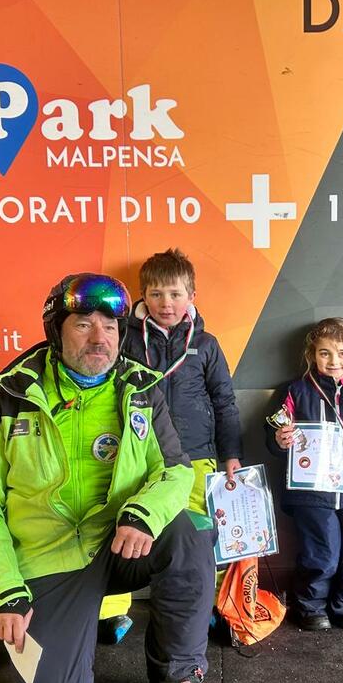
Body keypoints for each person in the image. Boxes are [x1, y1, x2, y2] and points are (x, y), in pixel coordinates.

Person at [0, 273, 216, 683]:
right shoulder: (10, 401)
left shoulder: (140, 391)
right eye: (83, 324)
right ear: (56, 330)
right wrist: (4, 592)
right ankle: (70, 662)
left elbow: (175, 472)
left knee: (190, 533)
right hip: (50, 557)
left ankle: (179, 675)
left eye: (111, 327)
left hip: (121, 542)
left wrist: (142, 514)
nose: (100, 338)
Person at [98, 248, 243, 643]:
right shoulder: (123, 336)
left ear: (191, 296)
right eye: (157, 294)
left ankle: (203, 604)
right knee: (126, 523)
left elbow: (224, 401)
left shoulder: (207, 344)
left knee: (200, 531)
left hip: (197, 454)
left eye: (176, 294)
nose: (166, 303)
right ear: (142, 295)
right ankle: (111, 611)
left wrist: (231, 453)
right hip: (138, 454)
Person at [265, 317, 343, 632]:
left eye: (342, 354)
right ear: (312, 355)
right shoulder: (295, 391)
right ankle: (310, 605)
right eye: (325, 354)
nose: (334, 361)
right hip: (311, 491)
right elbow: (276, 432)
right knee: (324, 550)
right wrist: (280, 440)